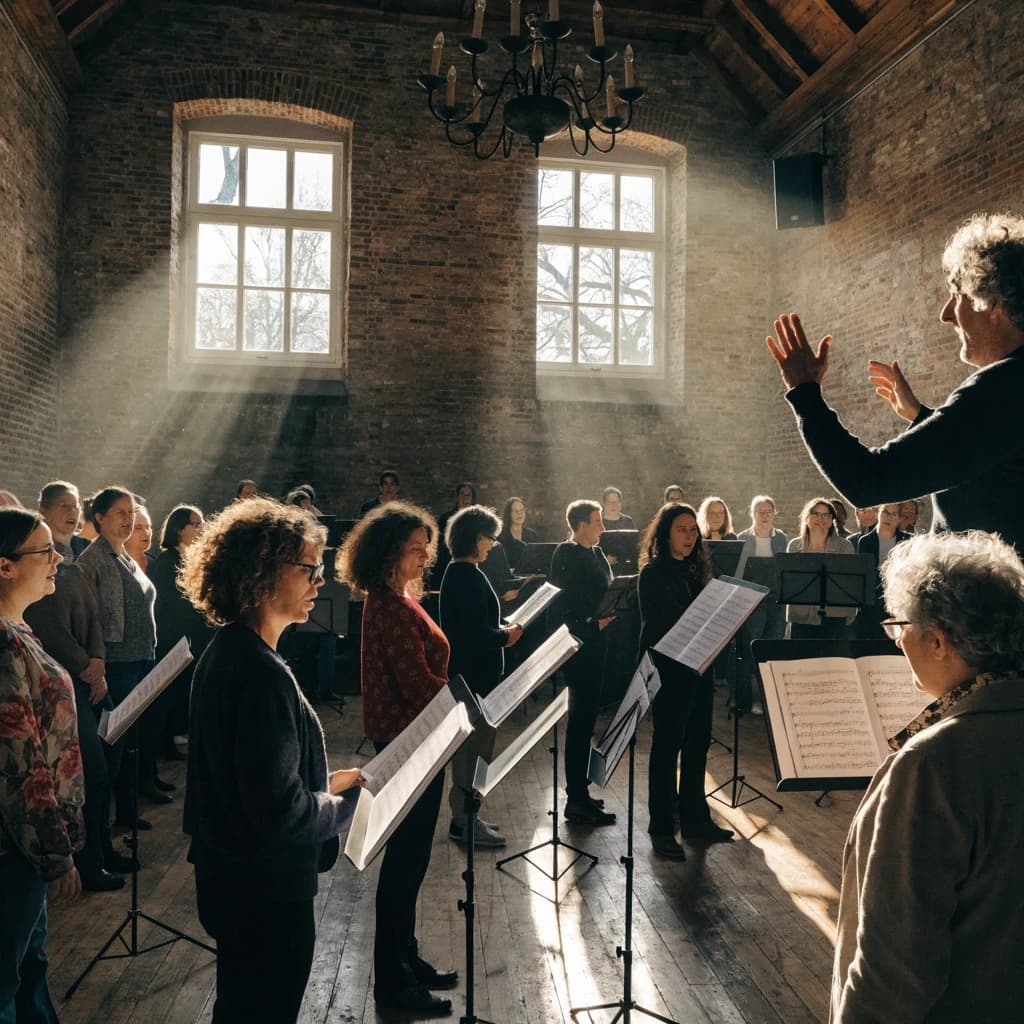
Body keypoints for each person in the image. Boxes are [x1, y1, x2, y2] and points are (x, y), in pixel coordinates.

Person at [180, 498, 362, 1024]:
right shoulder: (260, 672)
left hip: (233, 878)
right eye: (308, 569)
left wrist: (321, 781)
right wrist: (341, 803)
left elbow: (249, 781)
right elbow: (278, 813)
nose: (319, 582)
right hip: (264, 890)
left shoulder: (230, 649)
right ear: (261, 572)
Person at [831, 530, 1024, 1023]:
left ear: (938, 640)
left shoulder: (933, 765)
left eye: (899, 627)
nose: (897, 641)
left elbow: (891, 975)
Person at [766, 212, 1024, 550]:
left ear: (993, 303)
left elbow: (866, 480)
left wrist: (804, 393)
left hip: (987, 601)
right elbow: (993, 468)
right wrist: (922, 418)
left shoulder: (1004, 388)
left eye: (957, 294)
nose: (946, 314)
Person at [337, 502, 456, 1016]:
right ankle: (392, 985)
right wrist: (463, 704)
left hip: (417, 739)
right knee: (404, 867)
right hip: (408, 744)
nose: (425, 554)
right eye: (414, 547)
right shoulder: (387, 604)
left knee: (413, 862)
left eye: (425, 544)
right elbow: (416, 685)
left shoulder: (399, 597)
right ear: (389, 553)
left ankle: (406, 960)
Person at [0, 507, 85, 1019]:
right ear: (5, 566)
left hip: (26, 848)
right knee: (8, 979)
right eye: (44, 551)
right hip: (16, 848)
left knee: (29, 967)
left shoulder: (18, 629)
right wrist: (55, 853)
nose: (58, 559)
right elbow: (18, 764)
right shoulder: (3, 642)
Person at [26, 482, 129, 892]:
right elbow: (50, 629)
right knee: (88, 775)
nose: (71, 512)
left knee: (103, 770)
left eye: (74, 506)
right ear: (44, 511)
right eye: (62, 506)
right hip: (64, 680)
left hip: (88, 675)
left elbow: (95, 618)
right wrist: (88, 666)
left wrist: (99, 660)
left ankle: (102, 852)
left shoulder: (74, 558)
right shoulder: (45, 562)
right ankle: (87, 863)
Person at [637, 503, 733, 859]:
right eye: (682, 529)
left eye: (694, 530)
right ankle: (661, 828)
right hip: (668, 673)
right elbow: (660, 626)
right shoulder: (653, 574)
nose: (690, 537)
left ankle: (695, 819)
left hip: (698, 670)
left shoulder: (696, 572)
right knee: (666, 750)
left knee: (697, 745)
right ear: (665, 534)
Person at [439, 506, 523, 849]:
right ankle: (464, 821)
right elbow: (473, 636)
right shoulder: (466, 576)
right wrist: (506, 636)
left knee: (476, 751)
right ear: (475, 538)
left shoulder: (463, 573)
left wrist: (499, 631)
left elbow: (474, 626)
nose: (492, 544)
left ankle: (469, 815)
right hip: (473, 680)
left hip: (475, 678)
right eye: (490, 537)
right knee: (473, 752)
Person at [76, 486, 157, 828]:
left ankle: (125, 813)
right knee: (113, 748)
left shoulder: (124, 555)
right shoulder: (92, 561)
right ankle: (102, 834)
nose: (129, 520)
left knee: (130, 744)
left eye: (131, 513)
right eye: (120, 513)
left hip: (139, 659)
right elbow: (88, 620)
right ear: (99, 517)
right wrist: (99, 666)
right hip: (117, 663)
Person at [548, 500, 616, 826]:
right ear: (580, 524)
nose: (603, 527)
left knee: (587, 724)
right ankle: (575, 799)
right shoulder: (567, 554)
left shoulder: (595, 552)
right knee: (579, 725)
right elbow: (562, 610)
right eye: (597, 522)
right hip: (580, 649)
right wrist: (593, 625)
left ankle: (583, 793)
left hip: (598, 647)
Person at [149, 505, 213, 765]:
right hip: (174, 638)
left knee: (185, 691)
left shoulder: (192, 559)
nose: (201, 528)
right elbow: (173, 604)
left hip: (194, 636)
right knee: (171, 693)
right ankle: (168, 742)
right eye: (195, 524)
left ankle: (177, 738)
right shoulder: (167, 563)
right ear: (179, 529)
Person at [735, 495, 788, 712]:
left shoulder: (782, 538)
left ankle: (769, 701)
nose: (765, 516)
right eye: (760, 512)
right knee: (750, 649)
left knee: (771, 648)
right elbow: (738, 572)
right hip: (753, 600)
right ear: (752, 514)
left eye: (768, 512)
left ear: (774, 514)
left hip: (776, 600)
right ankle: (746, 701)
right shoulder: (743, 537)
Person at [785, 498, 856, 639]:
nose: (820, 519)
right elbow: (790, 582)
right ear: (806, 518)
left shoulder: (845, 546)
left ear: (831, 520)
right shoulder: (794, 546)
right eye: (815, 514)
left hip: (835, 615)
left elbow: (849, 583)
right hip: (802, 616)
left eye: (825, 515)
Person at [853, 503, 911, 639]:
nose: (888, 517)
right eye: (885, 512)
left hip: (897, 601)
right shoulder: (865, 541)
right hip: (872, 602)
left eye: (894, 514)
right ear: (878, 514)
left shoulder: (907, 540)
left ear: (899, 519)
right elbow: (864, 576)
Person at [431, 482, 477, 590]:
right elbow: (438, 542)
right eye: (462, 494)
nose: (465, 497)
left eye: (468, 495)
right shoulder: (445, 518)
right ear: (457, 497)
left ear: (472, 498)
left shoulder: (477, 519)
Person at [496, 496, 538, 571]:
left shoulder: (532, 535)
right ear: (508, 514)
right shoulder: (500, 535)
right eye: (515, 511)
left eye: (522, 510)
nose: (520, 514)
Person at [124, 501, 153, 572]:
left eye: (147, 527)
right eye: (138, 528)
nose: (146, 532)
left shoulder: (159, 565)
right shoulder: (112, 565)